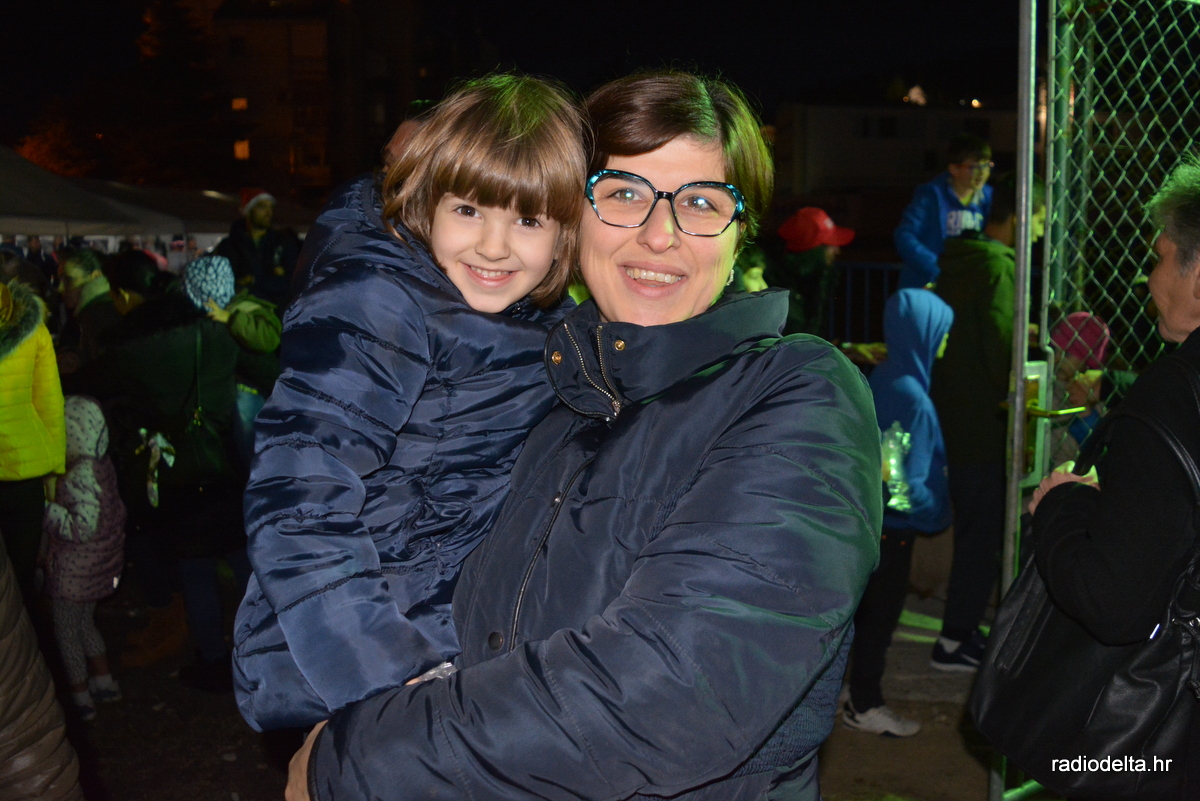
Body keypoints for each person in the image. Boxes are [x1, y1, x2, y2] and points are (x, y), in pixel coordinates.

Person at [286, 70, 880, 801]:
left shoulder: (796, 393)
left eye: (700, 202)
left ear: (741, 231)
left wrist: (357, 758)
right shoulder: (548, 392)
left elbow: (673, 693)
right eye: (624, 194)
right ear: (574, 213)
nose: (658, 235)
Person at [233, 73, 585, 732]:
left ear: (565, 234)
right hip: (357, 660)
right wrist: (388, 675)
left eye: (527, 219)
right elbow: (299, 495)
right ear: (426, 203)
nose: (493, 246)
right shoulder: (380, 302)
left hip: (455, 648)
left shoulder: (543, 323)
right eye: (468, 210)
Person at [1029, 155, 1200, 798]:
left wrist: (1061, 507)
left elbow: (1112, 603)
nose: (1149, 279)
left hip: (1172, 751)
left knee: (1079, 769)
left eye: (1161, 258)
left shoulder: (1170, 400)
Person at [80, 250, 251, 687]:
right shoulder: (217, 336)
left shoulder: (136, 350)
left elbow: (87, 383)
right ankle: (273, 647)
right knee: (246, 564)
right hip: (225, 467)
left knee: (196, 571)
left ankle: (214, 660)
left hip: (178, 476)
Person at [929, 173, 1045, 671]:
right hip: (982, 425)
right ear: (1018, 217)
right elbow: (1002, 352)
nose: (1038, 233)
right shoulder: (998, 267)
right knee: (982, 537)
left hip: (952, 413)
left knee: (971, 531)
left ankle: (960, 630)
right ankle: (955, 638)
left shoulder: (959, 260)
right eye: (1037, 221)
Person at [845, 288, 953, 737]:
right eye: (941, 333)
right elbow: (901, 486)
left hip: (867, 524)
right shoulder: (914, 401)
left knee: (860, 618)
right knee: (879, 621)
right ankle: (865, 703)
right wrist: (937, 513)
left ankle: (850, 693)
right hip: (893, 532)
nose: (944, 343)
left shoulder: (882, 378)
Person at [43, 396, 125, 721]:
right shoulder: (103, 467)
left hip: (74, 574)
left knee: (67, 633)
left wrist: (46, 510)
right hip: (97, 568)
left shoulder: (80, 475)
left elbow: (81, 527)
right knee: (85, 624)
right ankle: (105, 683)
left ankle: (80, 697)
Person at [0, 278, 65, 607]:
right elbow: (49, 402)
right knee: (20, 576)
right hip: (23, 467)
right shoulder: (30, 326)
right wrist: (54, 470)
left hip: (21, 473)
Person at [895, 133, 994, 289]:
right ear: (954, 168)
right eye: (974, 167)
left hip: (968, 286)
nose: (982, 173)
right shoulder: (931, 196)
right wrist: (937, 269)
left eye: (986, 166)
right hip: (928, 285)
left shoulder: (989, 199)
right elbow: (905, 236)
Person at [766, 206, 855, 336]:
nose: (837, 251)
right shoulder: (782, 296)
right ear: (812, 251)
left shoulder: (809, 282)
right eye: (829, 245)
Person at [213, 188, 301, 307]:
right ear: (248, 211)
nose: (268, 212)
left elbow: (292, 282)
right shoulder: (229, 246)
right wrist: (273, 279)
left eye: (271, 207)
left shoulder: (283, 242)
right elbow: (226, 284)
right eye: (262, 207)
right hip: (243, 311)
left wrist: (253, 280)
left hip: (279, 311)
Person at [56, 249, 122, 372]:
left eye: (69, 280)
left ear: (96, 276)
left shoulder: (99, 315)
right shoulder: (84, 313)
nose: (60, 288)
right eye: (60, 280)